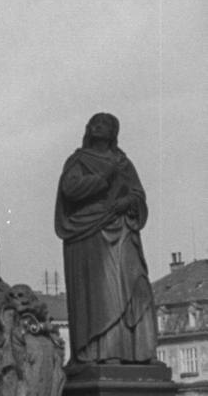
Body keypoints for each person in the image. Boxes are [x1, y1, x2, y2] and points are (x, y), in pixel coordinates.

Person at [55, 112, 157, 364]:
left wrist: (129, 201)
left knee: (137, 284)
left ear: (113, 132)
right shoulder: (78, 160)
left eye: (105, 124)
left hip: (121, 227)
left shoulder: (123, 162)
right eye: (94, 123)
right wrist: (102, 179)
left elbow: (138, 194)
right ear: (89, 129)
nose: (98, 126)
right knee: (103, 293)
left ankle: (139, 352)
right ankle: (104, 351)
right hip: (91, 233)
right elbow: (70, 189)